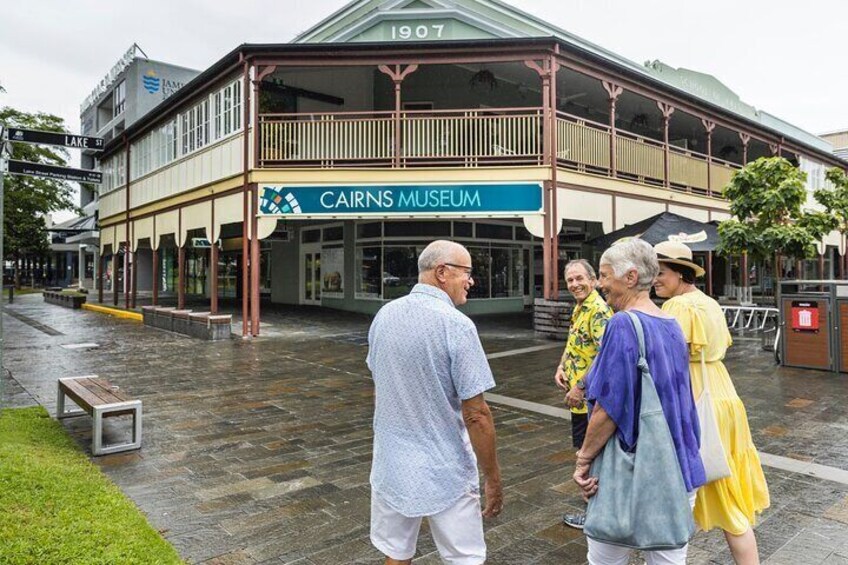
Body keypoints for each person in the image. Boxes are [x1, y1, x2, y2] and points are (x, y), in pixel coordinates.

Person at [366, 240, 503, 565]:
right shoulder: (457, 326)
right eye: (467, 272)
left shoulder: (384, 315)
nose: (471, 280)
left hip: (391, 463)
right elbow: (477, 415)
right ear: (442, 272)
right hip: (446, 468)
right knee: (464, 558)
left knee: (396, 553)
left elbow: (379, 384)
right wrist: (493, 477)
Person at [573, 238, 706, 565]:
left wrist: (583, 458)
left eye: (604, 276)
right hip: (679, 466)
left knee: (606, 559)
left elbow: (609, 408)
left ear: (630, 277)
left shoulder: (622, 324)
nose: (601, 284)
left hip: (633, 471)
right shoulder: (671, 324)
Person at [654, 240, 770, 565]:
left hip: (697, 397)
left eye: (660, 273)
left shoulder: (677, 308)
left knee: (704, 497)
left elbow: (667, 363)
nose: (655, 280)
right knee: (730, 489)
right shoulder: (709, 303)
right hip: (723, 394)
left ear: (680, 274)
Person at [553, 259, 612, 529]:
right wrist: (561, 366)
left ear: (594, 280)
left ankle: (595, 516)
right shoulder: (580, 307)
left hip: (590, 400)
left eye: (580, 279)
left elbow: (605, 355)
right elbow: (574, 342)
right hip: (579, 402)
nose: (575, 284)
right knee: (584, 453)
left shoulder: (598, 310)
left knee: (590, 457)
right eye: (570, 280)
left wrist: (580, 387)